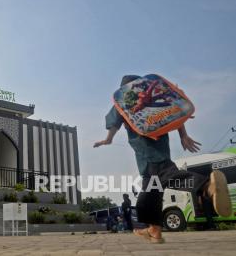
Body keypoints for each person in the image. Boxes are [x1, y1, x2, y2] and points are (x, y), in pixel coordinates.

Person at [94, 75, 232, 244]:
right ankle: (155, 231)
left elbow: (114, 121)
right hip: (160, 150)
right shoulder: (149, 96)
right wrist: (184, 135)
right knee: (152, 193)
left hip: (147, 153)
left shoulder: (122, 102)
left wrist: (108, 139)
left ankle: (207, 186)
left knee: (165, 177)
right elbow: (174, 113)